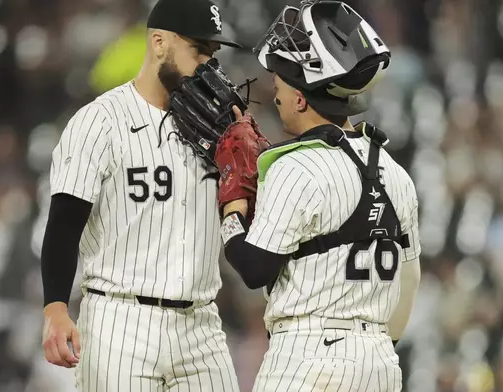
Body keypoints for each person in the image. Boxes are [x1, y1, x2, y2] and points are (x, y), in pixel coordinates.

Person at [215, 1, 421, 391]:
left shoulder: (296, 168)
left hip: (310, 358)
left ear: (301, 98)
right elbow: (409, 282)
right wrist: (374, 344)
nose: (275, 95)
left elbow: (254, 268)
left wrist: (232, 206)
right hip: (380, 362)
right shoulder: (397, 174)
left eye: (279, 86)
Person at [40, 0, 242, 390]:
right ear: (160, 42)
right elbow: (64, 223)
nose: (207, 65)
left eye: (212, 54)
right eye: (198, 49)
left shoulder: (217, 129)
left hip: (201, 324)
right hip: (121, 320)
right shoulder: (100, 121)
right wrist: (55, 308)